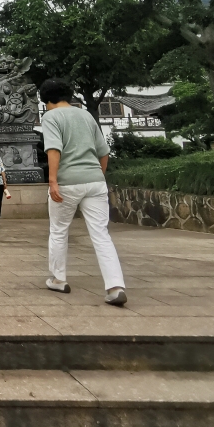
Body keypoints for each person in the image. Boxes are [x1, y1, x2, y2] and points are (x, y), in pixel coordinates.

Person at [39, 78, 128, 307]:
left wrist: (52, 182)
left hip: (67, 182)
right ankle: (115, 286)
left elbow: (54, 149)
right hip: (95, 181)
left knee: (59, 231)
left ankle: (58, 279)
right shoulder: (86, 115)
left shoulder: (50, 116)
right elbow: (103, 151)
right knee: (101, 234)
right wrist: (99, 175)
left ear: (46, 99)